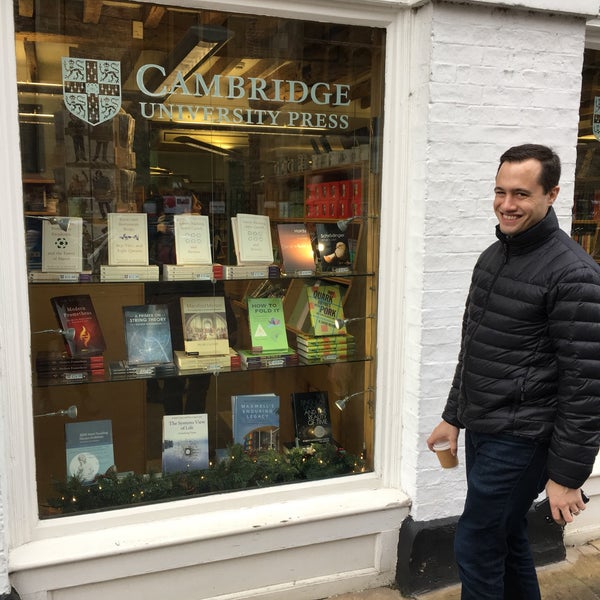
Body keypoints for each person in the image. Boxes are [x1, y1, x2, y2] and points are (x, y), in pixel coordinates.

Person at [427, 144, 600, 600]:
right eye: (500, 192)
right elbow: (476, 349)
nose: (507, 204)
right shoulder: (494, 257)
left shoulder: (574, 274)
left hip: (523, 440)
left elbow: (586, 387)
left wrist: (566, 477)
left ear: (552, 194)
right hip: (486, 429)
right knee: (506, 539)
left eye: (521, 194)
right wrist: (453, 415)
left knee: (477, 543)